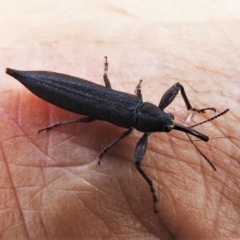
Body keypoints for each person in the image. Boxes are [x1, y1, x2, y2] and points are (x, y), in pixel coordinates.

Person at [1, 1, 239, 239]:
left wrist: (108, 146)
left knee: (92, 120)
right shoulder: (131, 123)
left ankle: (33, 93)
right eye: (169, 119)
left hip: (61, 86)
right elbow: (135, 157)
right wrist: (111, 150)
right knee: (128, 155)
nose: (171, 122)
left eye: (168, 121)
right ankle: (48, 111)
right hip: (55, 86)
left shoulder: (135, 105)